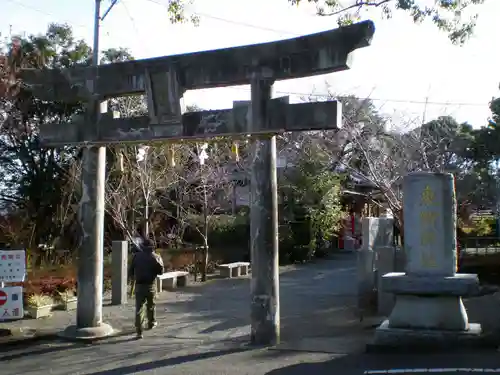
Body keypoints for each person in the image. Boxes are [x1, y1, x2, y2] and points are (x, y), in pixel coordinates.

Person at [128, 239, 164, 339]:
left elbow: (130, 271)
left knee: (139, 308)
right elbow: (161, 272)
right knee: (151, 305)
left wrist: (132, 280)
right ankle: (151, 323)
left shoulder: (136, 257)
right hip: (151, 285)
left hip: (139, 285)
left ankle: (139, 331)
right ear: (153, 247)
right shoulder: (155, 257)